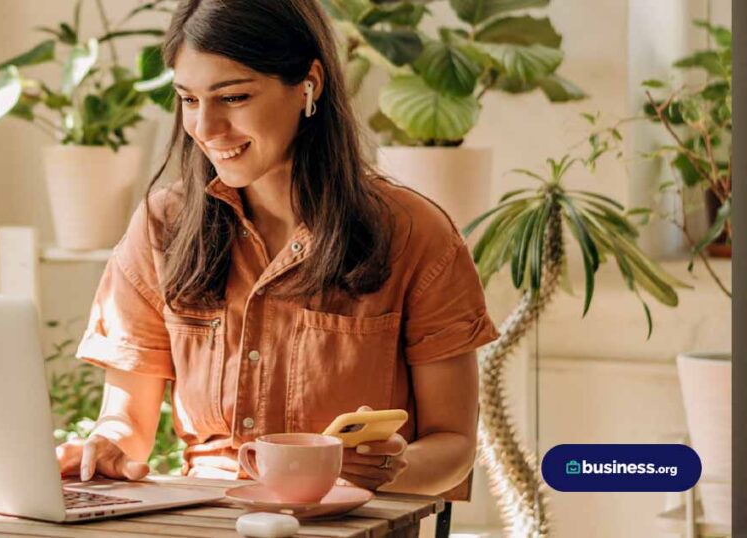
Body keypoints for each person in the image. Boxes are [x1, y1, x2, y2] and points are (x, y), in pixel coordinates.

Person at [56, 0, 499, 496]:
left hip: (352, 522)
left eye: (234, 97)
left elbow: (454, 443)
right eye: (189, 99)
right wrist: (106, 446)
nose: (205, 128)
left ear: (309, 84)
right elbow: (126, 424)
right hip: (208, 520)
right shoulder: (164, 225)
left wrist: (389, 472)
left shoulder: (415, 233)